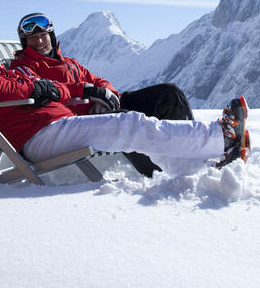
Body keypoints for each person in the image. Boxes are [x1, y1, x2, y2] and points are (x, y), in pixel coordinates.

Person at [0, 25, 250, 172]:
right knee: (131, 125)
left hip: (55, 126)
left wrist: (81, 90)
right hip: (39, 136)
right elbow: (2, 92)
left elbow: (55, 88)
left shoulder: (6, 72)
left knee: (132, 125)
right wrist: (36, 89)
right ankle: (220, 138)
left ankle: (200, 167)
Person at [10, 12, 194, 175]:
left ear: (51, 36)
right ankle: (159, 174)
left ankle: (191, 152)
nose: (40, 42)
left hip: (104, 107)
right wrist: (91, 97)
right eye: (33, 38)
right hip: (82, 120)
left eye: (43, 35)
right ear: (25, 42)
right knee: (126, 121)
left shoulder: (69, 62)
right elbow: (50, 93)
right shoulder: (23, 68)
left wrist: (106, 96)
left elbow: (99, 81)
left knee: (169, 93)